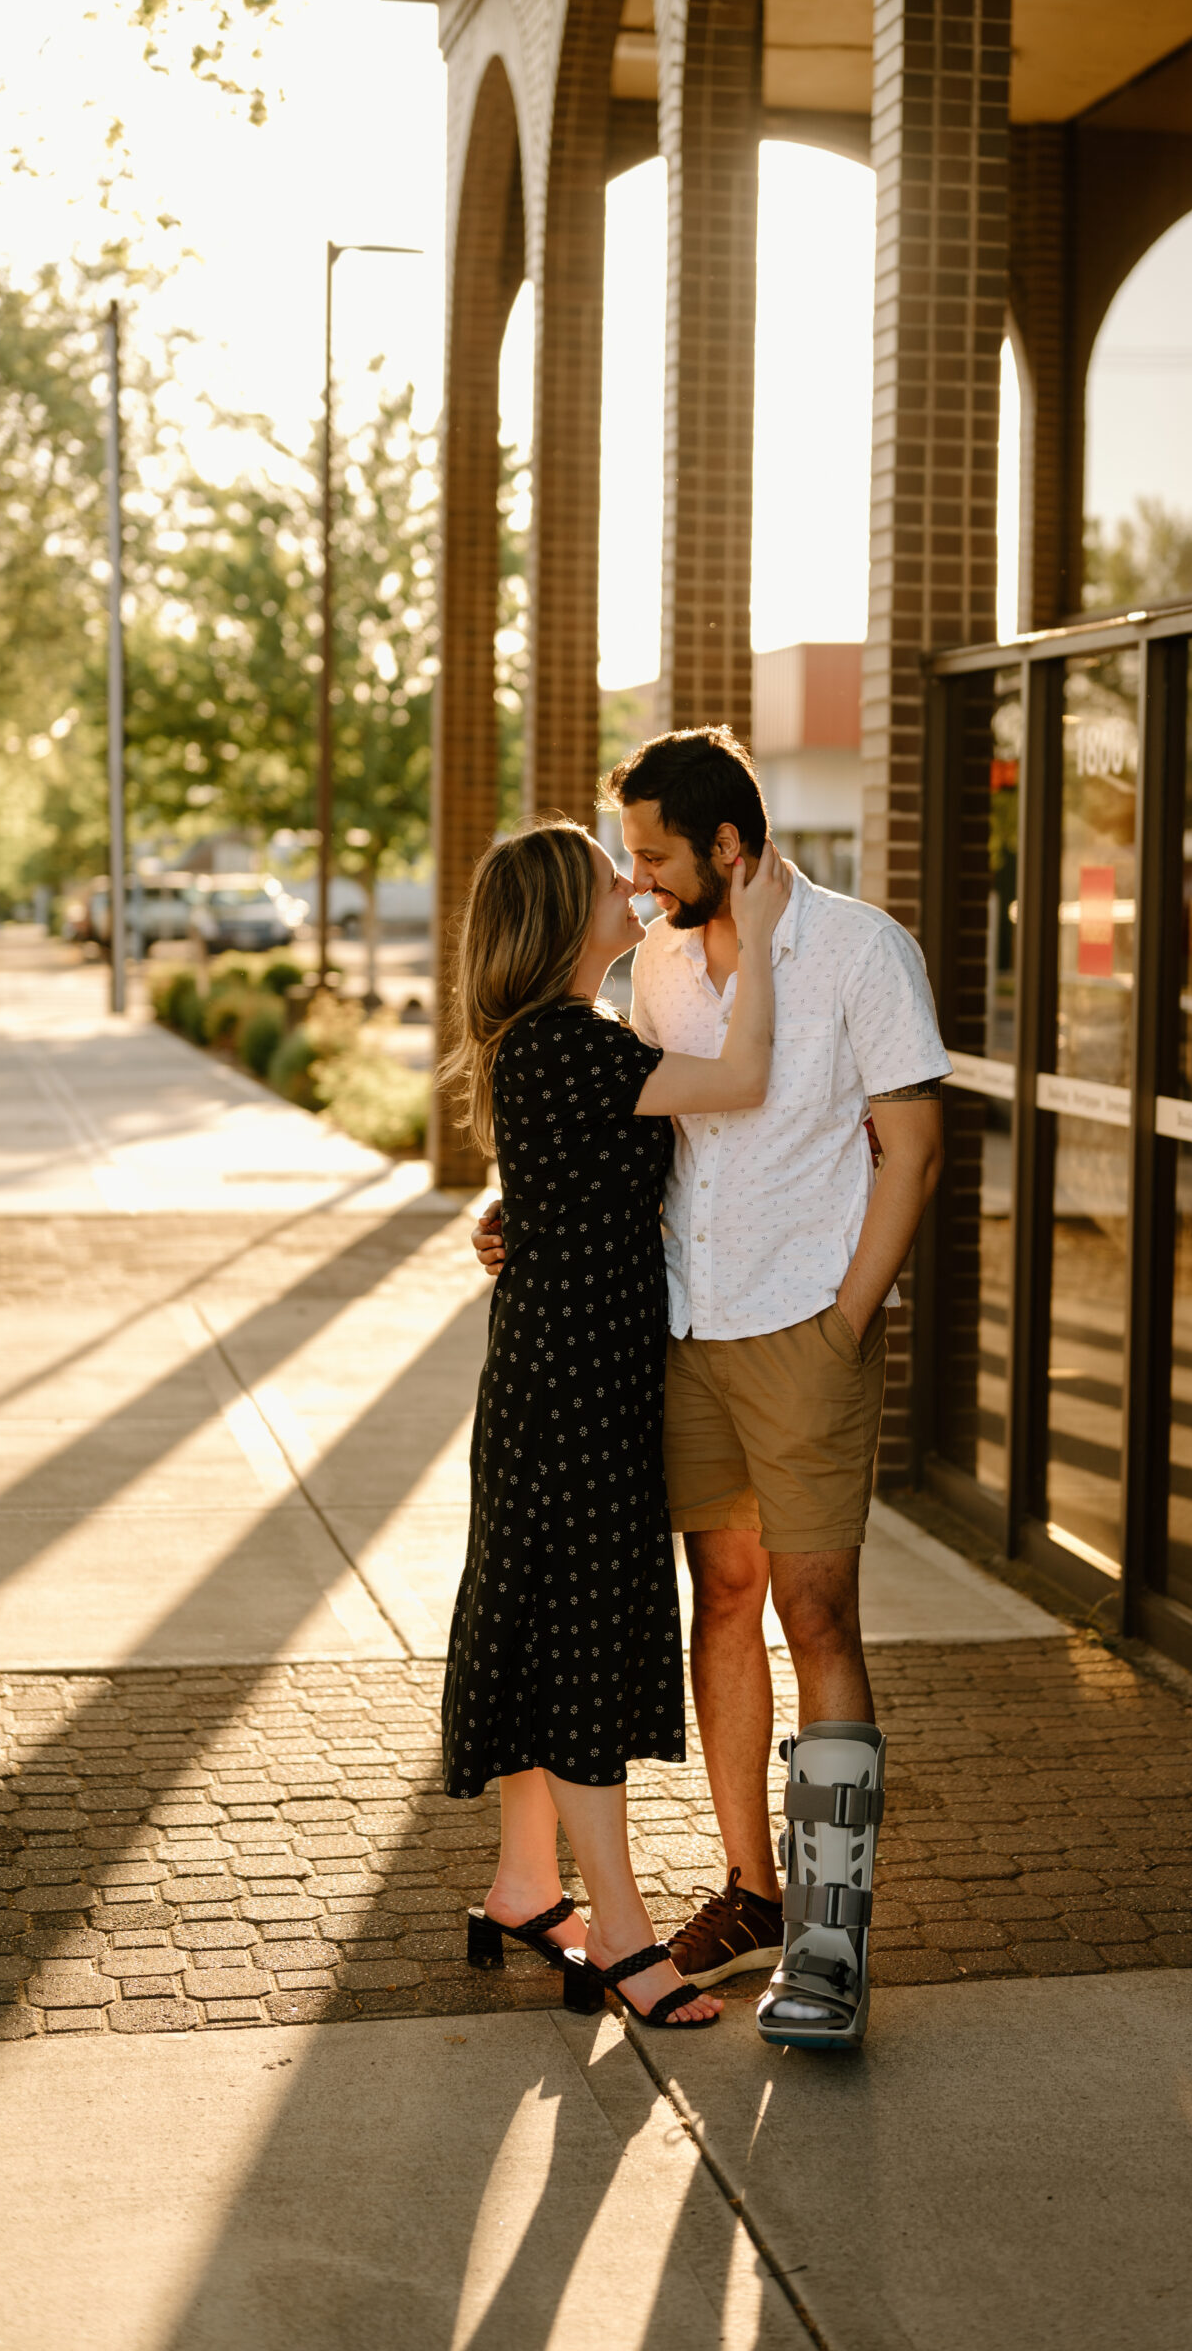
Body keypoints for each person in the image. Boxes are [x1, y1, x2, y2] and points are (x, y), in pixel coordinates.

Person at [475, 729, 949, 2049]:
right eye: (622, 860)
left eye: (651, 855)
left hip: (805, 1327)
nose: (633, 883)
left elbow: (911, 1148)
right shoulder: (658, 969)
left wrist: (847, 1316)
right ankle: (748, 1888)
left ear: (724, 849)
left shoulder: (861, 950)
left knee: (816, 1610)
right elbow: (616, 1123)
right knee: (723, 1599)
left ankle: (830, 1938)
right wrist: (514, 1208)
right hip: (680, 1330)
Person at [442, 814, 791, 2031]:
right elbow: (742, 1078)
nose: (633, 888)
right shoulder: (569, 1047)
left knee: (549, 1631)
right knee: (580, 1647)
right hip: (572, 1390)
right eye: (610, 879)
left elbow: (566, 1185)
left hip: (565, 1373)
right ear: (559, 919)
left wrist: (503, 1215)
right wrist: (756, 925)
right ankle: (626, 1937)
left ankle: (526, 1886)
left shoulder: (561, 1045)